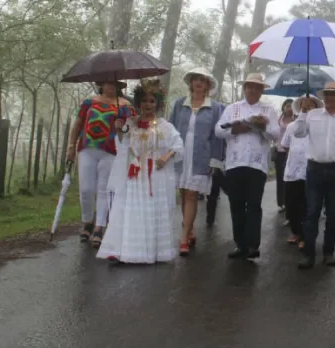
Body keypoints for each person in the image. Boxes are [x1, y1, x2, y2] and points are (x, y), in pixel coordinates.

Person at [97, 80, 184, 264]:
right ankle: (126, 251)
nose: (148, 105)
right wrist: (119, 130)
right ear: (138, 103)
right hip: (135, 174)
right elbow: (123, 146)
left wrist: (166, 157)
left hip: (156, 176)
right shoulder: (131, 123)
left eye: (152, 101)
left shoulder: (164, 126)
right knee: (131, 210)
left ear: (158, 103)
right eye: (144, 100)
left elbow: (178, 145)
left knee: (152, 211)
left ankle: (153, 251)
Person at [292, 82, 335, 270]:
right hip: (314, 169)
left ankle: (329, 251)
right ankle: (308, 254)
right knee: (312, 212)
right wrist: (303, 112)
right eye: (327, 94)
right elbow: (297, 133)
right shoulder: (311, 115)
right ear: (323, 97)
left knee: (333, 213)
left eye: (334, 94)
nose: (330, 97)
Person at [215, 73, 280, 261]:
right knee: (236, 204)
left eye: (257, 87)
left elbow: (275, 134)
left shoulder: (268, 110)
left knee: (253, 204)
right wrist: (235, 129)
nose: (253, 90)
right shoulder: (232, 108)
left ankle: (252, 245)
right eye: (250, 86)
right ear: (245, 88)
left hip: (257, 163)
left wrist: (260, 127)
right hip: (235, 162)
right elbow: (218, 130)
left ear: (261, 90)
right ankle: (240, 244)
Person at [66, 80, 135, 248]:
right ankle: (87, 221)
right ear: (101, 85)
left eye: (114, 84)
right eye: (107, 82)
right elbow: (78, 123)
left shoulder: (125, 106)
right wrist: (71, 145)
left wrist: (121, 127)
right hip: (87, 148)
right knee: (86, 189)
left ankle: (99, 227)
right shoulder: (89, 102)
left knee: (104, 189)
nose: (110, 86)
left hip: (111, 151)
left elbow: (131, 131)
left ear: (119, 86)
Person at [169, 67, 226, 256]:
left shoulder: (216, 108)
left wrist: (215, 160)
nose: (199, 82)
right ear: (191, 83)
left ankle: (184, 237)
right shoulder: (179, 104)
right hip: (180, 155)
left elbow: (218, 137)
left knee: (193, 195)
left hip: (201, 156)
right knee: (184, 195)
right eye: (195, 79)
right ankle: (190, 229)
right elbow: (171, 130)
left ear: (208, 84)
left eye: (203, 79)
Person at [280, 94, 322, 247]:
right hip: (292, 171)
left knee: (307, 206)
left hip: (310, 171)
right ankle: (296, 232)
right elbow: (285, 145)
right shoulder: (293, 126)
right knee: (291, 206)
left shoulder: (318, 126)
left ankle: (305, 236)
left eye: (311, 105)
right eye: (305, 105)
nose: (308, 108)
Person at [274, 99, 295, 215]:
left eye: (291, 106)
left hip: (292, 153)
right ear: (283, 107)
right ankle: (281, 203)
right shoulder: (278, 119)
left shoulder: (297, 120)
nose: (289, 108)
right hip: (280, 152)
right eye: (287, 106)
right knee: (280, 179)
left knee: (290, 179)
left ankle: (290, 204)